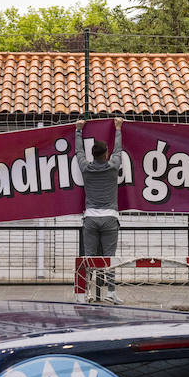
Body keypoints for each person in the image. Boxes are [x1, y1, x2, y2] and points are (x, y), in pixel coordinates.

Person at [75, 117, 125, 304]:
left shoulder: (86, 168)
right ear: (106, 155)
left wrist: (78, 130)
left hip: (90, 218)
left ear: (93, 155)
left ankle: (86, 292)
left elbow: (78, 151)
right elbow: (119, 149)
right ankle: (110, 292)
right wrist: (118, 128)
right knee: (109, 258)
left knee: (89, 257)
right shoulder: (113, 168)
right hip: (110, 218)